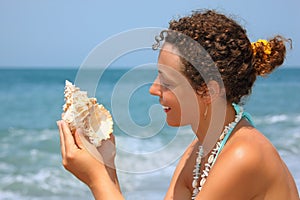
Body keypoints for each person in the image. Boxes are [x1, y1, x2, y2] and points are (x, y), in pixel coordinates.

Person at [57, 10, 299, 199]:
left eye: (167, 82)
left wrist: (96, 180)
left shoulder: (243, 156)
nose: (153, 89)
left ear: (208, 90)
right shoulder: (202, 148)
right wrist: (107, 166)